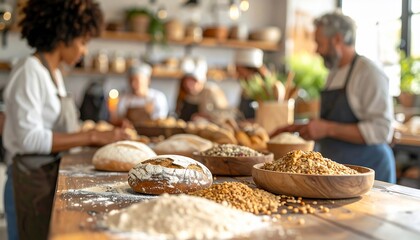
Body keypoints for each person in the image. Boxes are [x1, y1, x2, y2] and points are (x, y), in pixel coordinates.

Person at [2, 1, 130, 239]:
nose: (84, 51)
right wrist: (92, 136)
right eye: (83, 42)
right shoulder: (29, 71)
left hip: (45, 178)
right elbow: (29, 139)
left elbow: (63, 127)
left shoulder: (55, 74)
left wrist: (107, 130)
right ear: (64, 35)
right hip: (28, 183)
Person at [271, 11, 396, 183]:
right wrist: (303, 128)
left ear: (337, 39)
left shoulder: (369, 73)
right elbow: (329, 121)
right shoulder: (333, 73)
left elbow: (382, 131)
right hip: (339, 169)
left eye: (319, 43)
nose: (316, 50)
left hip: (370, 169)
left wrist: (327, 128)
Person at [176, 57, 229, 121]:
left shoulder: (212, 91)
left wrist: (206, 116)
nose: (188, 85)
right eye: (186, 81)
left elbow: (225, 114)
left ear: (200, 81)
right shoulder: (184, 93)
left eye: (192, 81)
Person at [234, 48, 270, 119]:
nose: (237, 75)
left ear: (251, 70)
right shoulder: (245, 88)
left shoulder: (265, 89)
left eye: (239, 71)